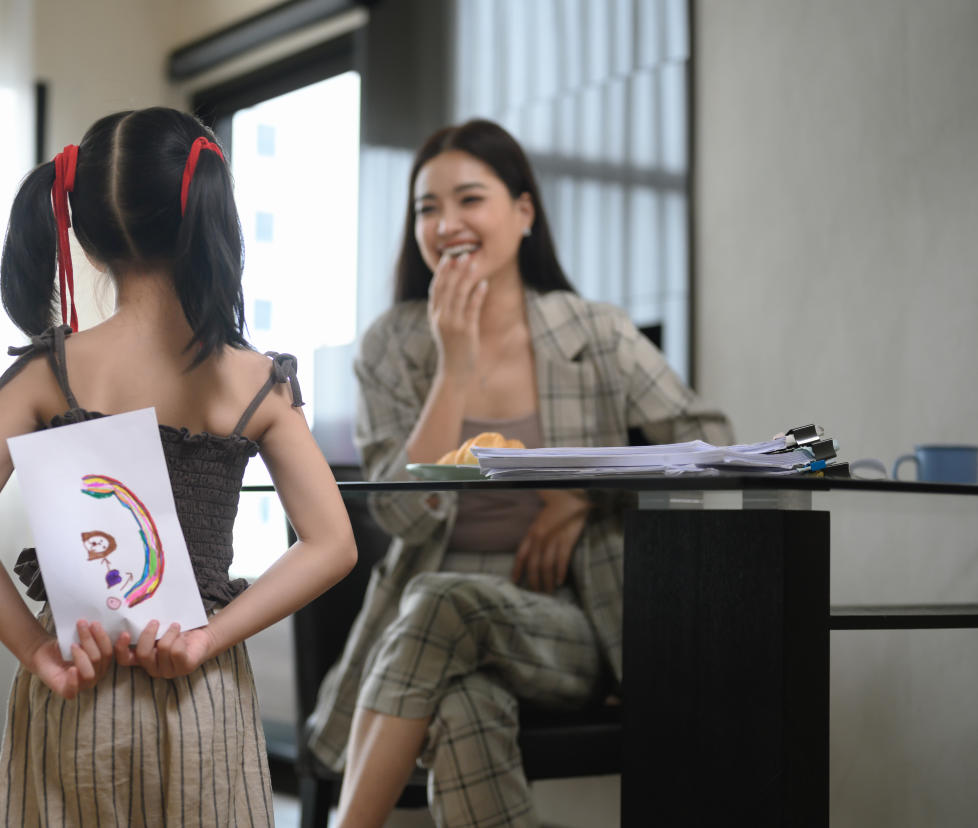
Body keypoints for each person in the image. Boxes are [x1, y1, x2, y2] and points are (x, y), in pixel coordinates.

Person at [0, 107, 356, 826]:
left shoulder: (47, 374)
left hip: (77, 683)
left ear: (87, 245)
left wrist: (37, 649)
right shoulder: (256, 382)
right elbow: (333, 544)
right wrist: (210, 635)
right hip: (201, 689)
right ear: (208, 220)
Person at [306, 119, 733, 827]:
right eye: (426, 209)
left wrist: (583, 499)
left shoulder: (592, 332)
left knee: (447, 602)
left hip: (569, 619)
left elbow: (709, 440)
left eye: (469, 199)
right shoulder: (392, 344)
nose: (446, 224)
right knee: (462, 702)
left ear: (524, 212)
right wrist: (453, 367)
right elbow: (403, 515)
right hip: (423, 631)